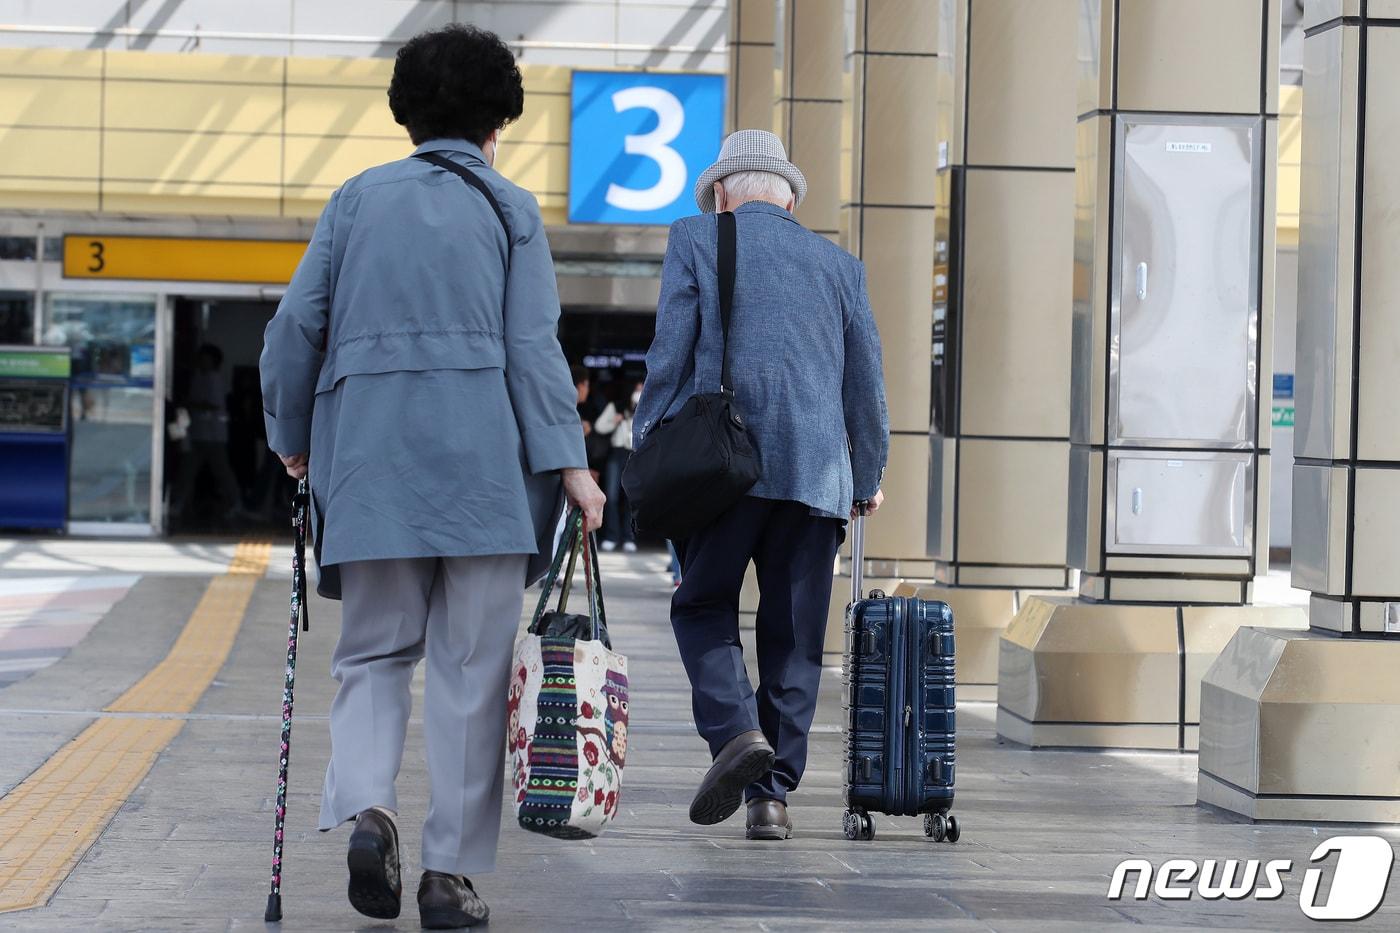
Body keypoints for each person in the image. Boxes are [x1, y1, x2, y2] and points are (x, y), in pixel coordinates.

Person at [259, 25, 605, 929]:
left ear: (408, 114)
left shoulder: (355, 201)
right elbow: (533, 349)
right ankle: (446, 876)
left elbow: (294, 328)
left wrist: (292, 437)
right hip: (488, 481)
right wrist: (572, 465)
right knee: (469, 672)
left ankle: (371, 808)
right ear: (498, 120)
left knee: (373, 656)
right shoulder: (510, 209)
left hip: (371, 469)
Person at [634, 129, 889, 842]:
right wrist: (866, 474)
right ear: (786, 196)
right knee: (794, 637)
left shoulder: (696, 237)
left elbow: (669, 357)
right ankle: (771, 797)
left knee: (703, 605)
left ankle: (735, 729)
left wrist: (646, 444)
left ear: (723, 192)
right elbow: (866, 385)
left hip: (721, 471)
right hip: (814, 478)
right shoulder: (840, 266)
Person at [170, 344, 246, 523]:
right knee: (187, 471)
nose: (202, 361)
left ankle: (236, 504)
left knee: (221, 472)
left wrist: (191, 404)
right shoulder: (198, 377)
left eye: (206, 358)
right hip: (197, 433)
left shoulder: (215, 379)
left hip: (213, 436)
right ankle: (178, 504)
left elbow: (213, 405)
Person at [594, 381, 640, 552]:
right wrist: (615, 420)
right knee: (611, 496)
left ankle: (629, 537)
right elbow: (599, 426)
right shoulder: (616, 406)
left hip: (634, 454)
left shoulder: (645, 407)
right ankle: (612, 536)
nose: (639, 392)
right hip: (617, 454)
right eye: (637, 389)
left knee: (631, 498)